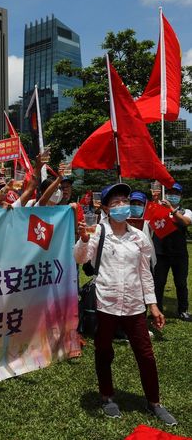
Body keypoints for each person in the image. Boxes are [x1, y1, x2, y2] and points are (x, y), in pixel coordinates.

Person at [74, 183, 177, 425]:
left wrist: (153, 305)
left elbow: (145, 273)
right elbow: (79, 258)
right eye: (116, 202)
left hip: (133, 305)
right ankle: (107, 396)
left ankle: (154, 403)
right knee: (104, 351)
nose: (122, 205)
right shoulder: (98, 232)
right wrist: (83, 240)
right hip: (106, 303)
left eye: (125, 200)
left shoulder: (139, 236)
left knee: (146, 354)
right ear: (107, 208)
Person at [152, 182, 191, 321]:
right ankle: (157, 310)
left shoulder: (186, 211)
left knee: (181, 283)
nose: (172, 195)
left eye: (176, 193)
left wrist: (172, 210)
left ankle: (183, 310)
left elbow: (186, 222)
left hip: (179, 254)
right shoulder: (159, 209)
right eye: (170, 193)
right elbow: (149, 215)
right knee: (158, 283)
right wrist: (156, 202)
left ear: (180, 196)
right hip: (160, 253)